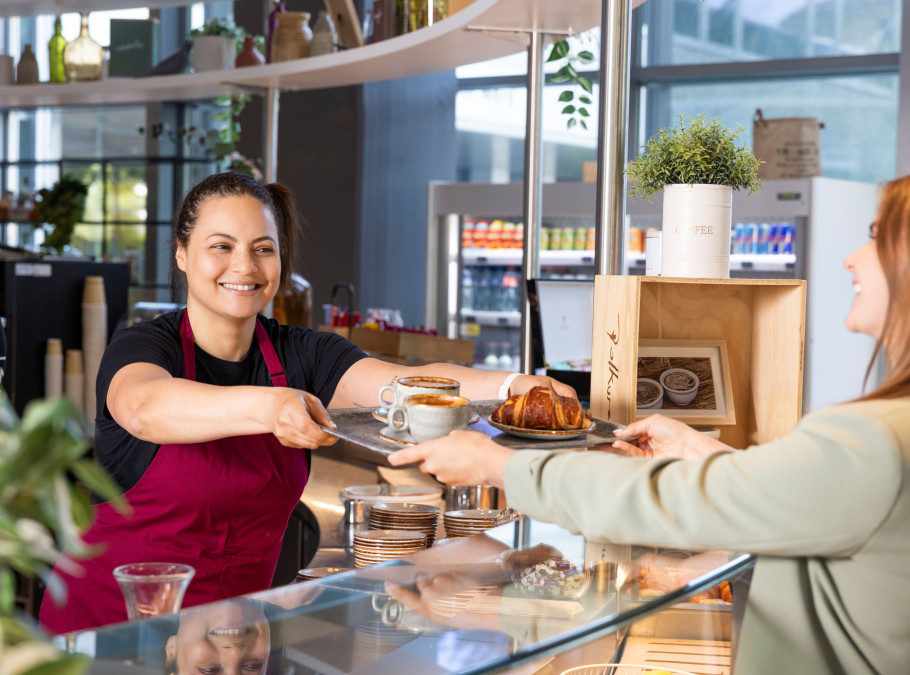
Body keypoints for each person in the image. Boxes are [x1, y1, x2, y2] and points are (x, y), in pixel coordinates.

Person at [389, 175, 910, 674]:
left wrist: (500, 464)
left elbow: (667, 502)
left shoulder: (875, 438)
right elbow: (800, 507)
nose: (851, 258)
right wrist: (698, 454)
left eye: (873, 238)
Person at [38, 171, 573, 635]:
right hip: (108, 630)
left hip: (232, 639)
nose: (243, 266)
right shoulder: (142, 346)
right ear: (182, 254)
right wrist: (271, 408)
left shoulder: (304, 354)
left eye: (262, 248)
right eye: (220, 246)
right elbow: (146, 409)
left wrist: (511, 386)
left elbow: (403, 381)